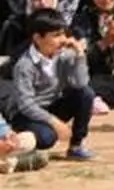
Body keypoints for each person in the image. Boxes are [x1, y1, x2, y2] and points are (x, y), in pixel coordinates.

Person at [9, 9, 96, 160]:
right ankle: (23, 141)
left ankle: (76, 145)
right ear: (37, 38)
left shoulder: (63, 55)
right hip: (27, 115)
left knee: (86, 93)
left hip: (53, 106)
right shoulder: (25, 65)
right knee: (47, 137)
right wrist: (54, 122)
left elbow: (80, 83)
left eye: (63, 34)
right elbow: (26, 105)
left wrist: (80, 56)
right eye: (56, 36)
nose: (62, 39)